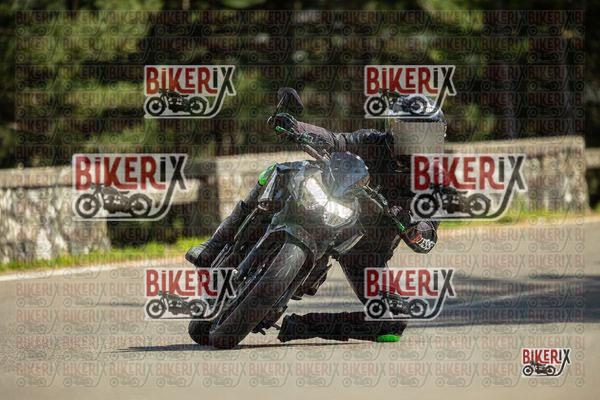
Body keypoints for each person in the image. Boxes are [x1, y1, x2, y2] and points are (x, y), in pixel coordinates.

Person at [186, 112, 446, 342]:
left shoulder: (433, 180)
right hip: (332, 212)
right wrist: (296, 126)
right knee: (279, 171)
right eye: (416, 133)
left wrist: (416, 229)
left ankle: (305, 326)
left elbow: (428, 238)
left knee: (392, 320)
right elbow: (335, 140)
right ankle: (214, 245)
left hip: (366, 252)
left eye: (429, 136)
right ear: (398, 129)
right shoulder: (373, 142)